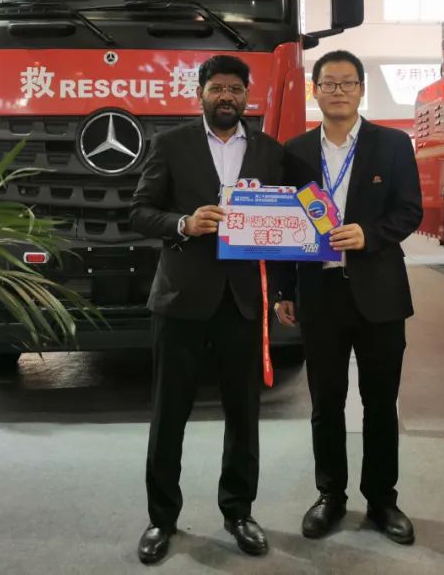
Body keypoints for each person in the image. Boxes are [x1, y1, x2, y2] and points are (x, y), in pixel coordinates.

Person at [130, 55, 285, 564]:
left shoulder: (268, 152)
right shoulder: (170, 144)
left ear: (247, 96)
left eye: (236, 89)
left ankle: (238, 512)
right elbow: (140, 212)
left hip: (242, 301)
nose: (227, 97)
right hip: (181, 299)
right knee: (169, 412)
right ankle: (162, 519)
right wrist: (184, 224)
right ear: (200, 92)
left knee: (243, 413)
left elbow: (290, 217)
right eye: (217, 87)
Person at [275, 50, 422, 545]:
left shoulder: (392, 144)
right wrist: (283, 290)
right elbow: (284, 225)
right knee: (326, 402)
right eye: (329, 83)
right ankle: (330, 496)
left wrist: (369, 235)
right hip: (319, 294)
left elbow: (410, 211)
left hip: (379, 293)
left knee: (380, 403)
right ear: (315, 90)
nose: (338, 91)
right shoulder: (294, 151)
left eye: (347, 83)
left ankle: (382, 500)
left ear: (361, 89)